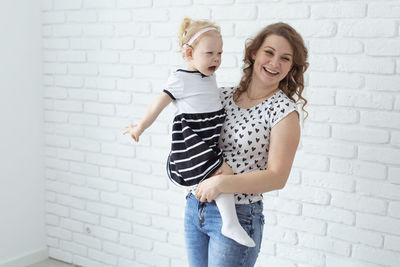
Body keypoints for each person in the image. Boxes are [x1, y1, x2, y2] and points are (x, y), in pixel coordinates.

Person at [123, 17, 255, 247]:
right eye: (210, 53)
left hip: (207, 137)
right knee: (222, 171)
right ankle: (230, 222)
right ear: (189, 53)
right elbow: (158, 103)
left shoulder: (208, 76)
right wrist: (140, 127)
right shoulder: (181, 79)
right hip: (193, 139)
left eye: (220, 53)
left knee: (220, 173)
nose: (216, 58)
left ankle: (228, 221)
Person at [185, 22, 309, 266]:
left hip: (240, 215)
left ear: (291, 67)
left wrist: (221, 183)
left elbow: (277, 177)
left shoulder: (283, 112)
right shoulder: (220, 95)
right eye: (269, 52)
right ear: (254, 53)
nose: (274, 63)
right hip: (195, 206)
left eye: (285, 58)